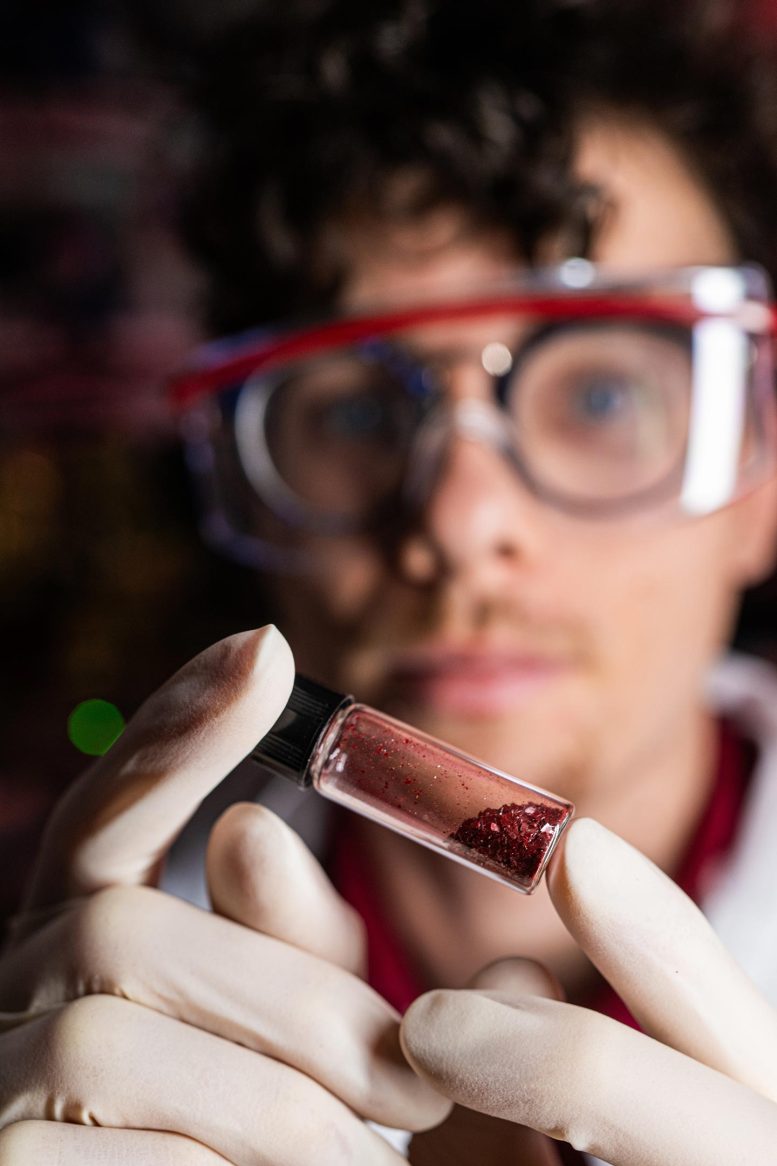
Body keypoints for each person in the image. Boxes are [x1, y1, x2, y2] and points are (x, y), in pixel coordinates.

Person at [3, 0, 777, 1162]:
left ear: (761, 477)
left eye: (604, 395)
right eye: (360, 411)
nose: (461, 527)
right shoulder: (71, 978)